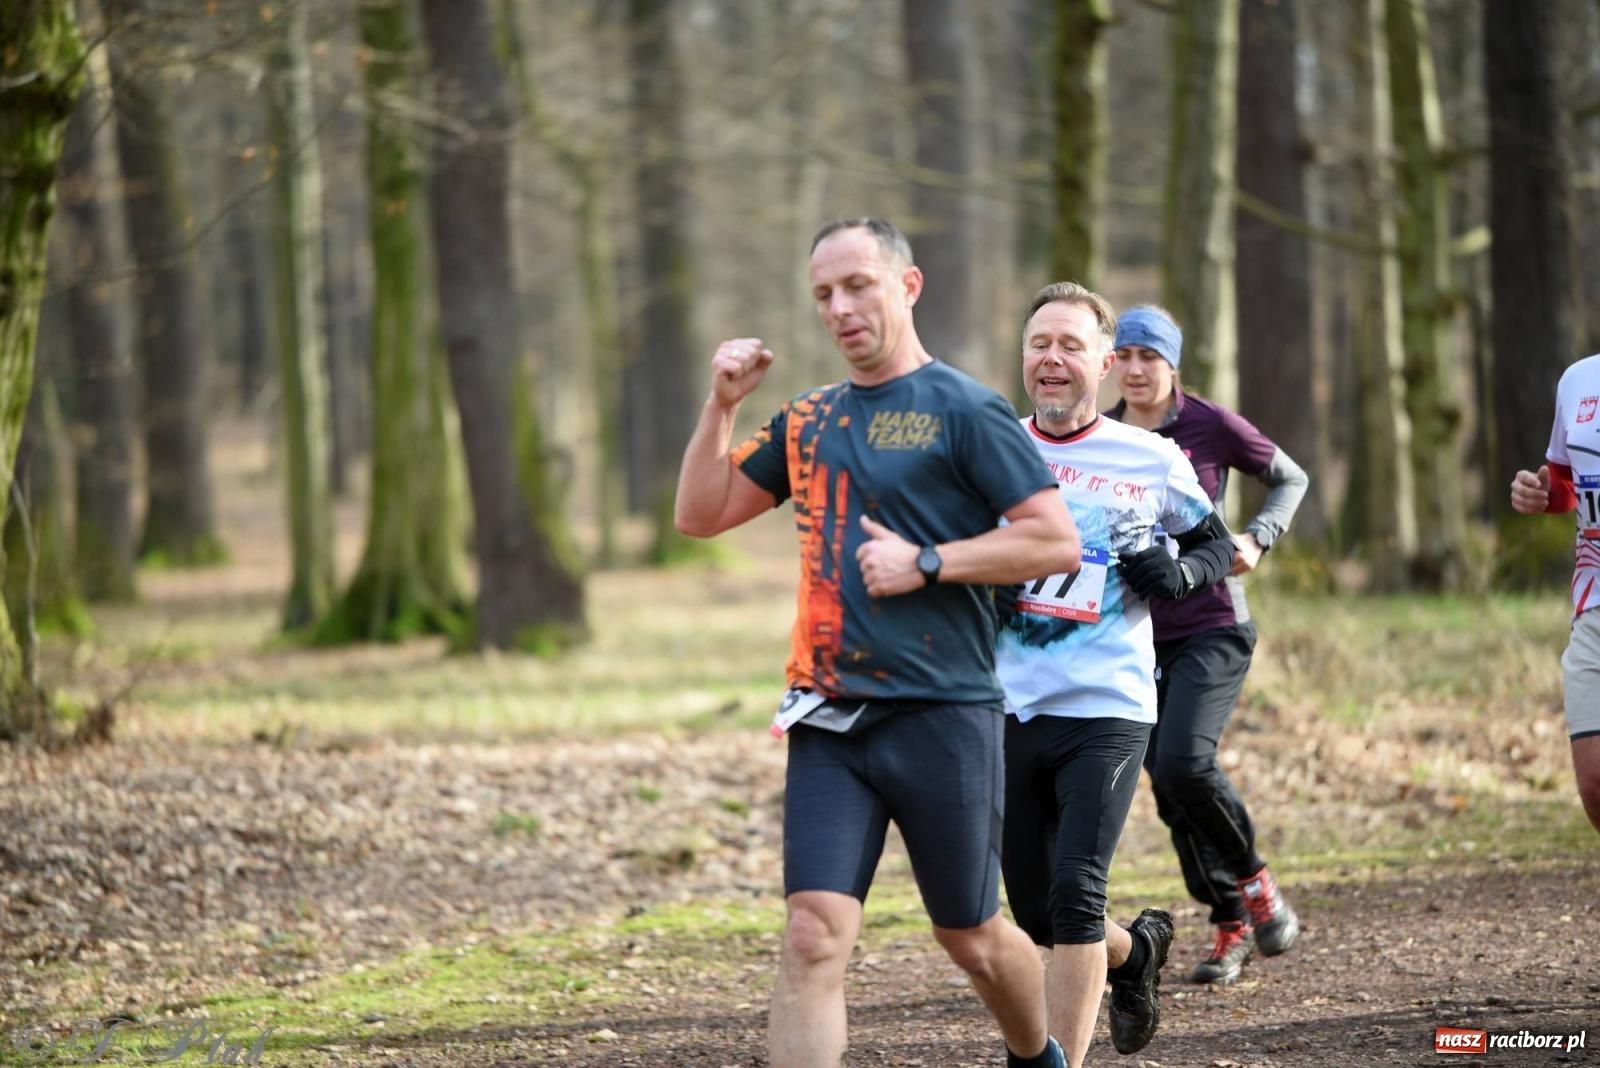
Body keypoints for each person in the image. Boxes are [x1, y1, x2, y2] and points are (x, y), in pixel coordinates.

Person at [674, 218, 1083, 1068]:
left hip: (943, 710)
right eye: (824, 294)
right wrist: (722, 405)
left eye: (858, 285)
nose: (840, 308)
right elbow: (700, 514)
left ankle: (1036, 1055)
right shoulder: (810, 419)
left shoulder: (966, 410)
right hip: (830, 716)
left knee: (970, 935)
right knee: (812, 932)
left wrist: (928, 562)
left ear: (908, 285)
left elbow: (1054, 541)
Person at [995, 282, 1238, 1066]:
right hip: (1007, 705)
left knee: (1076, 893)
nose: (1052, 358)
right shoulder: (992, 449)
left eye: (1071, 345)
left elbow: (1215, 544)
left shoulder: (1149, 456)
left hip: (1108, 705)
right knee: (1036, 914)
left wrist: (1180, 575)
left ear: (1103, 365)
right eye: (1039, 344)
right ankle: (1137, 954)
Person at [1104, 305, 1309, 985]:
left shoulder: (1210, 425)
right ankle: (1230, 920)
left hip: (1213, 625)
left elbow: (1291, 477)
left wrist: (1258, 537)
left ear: (1172, 364)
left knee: (1185, 764)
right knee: (1168, 791)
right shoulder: (1102, 435)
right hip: (1134, 638)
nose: (1136, 370)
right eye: (1124, 356)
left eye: (1150, 357)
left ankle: (1255, 883)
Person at [1509, 353, 1600, 836]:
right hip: (1593, 605)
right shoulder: (1577, 380)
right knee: (1594, 784)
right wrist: (1541, 492)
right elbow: (1565, 480)